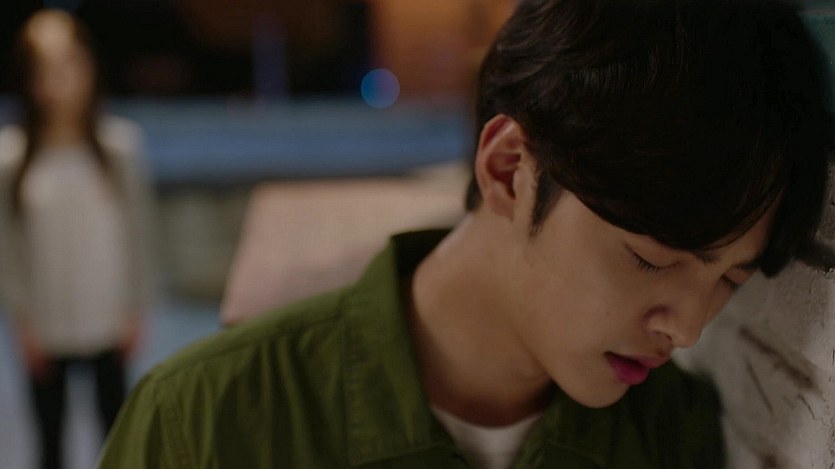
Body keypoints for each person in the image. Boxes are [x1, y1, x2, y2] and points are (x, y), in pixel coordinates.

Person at [99, 0, 830, 467]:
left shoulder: (672, 433)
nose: (689, 328)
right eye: (650, 259)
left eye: (728, 278)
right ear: (509, 169)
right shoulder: (203, 422)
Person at [0, 10, 156, 469]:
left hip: (107, 316)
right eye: (44, 68)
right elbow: (8, 248)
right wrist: (22, 320)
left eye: (68, 63)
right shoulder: (11, 157)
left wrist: (136, 306)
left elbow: (140, 234)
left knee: (118, 435)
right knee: (50, 440)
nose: (59, 80)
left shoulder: (119, 147)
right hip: (45, 324)